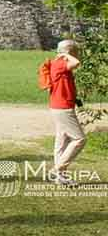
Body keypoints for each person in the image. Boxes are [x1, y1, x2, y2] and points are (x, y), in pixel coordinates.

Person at [48, 39, 86, 185]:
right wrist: (66, 55)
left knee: (62, 141)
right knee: (79, 139)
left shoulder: (59, 63)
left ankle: (60, 177)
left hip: (60, 106)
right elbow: (76, 63)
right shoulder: (60, 63)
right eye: (76, 51)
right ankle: (57, 170)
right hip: (62, 108)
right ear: (70, 51)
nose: (78, 54)